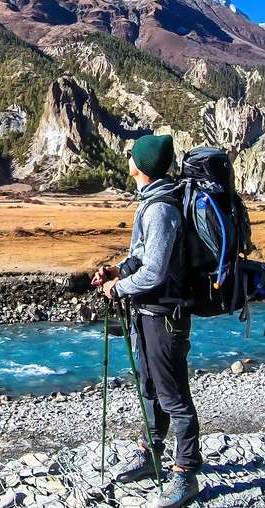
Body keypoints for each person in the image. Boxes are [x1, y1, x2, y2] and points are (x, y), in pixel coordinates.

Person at [93, 133, 201, 508]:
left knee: (174, 397)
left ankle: (186, 474)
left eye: (132, 155)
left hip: (164, 317)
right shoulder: (152, 202)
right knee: (149, 387)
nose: (128, 158)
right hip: (149, 314)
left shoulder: (160, 210)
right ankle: (151, 453)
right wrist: (117, 269)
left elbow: (154, 273)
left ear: (141, 165)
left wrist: (118, 289)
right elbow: (141, 257)